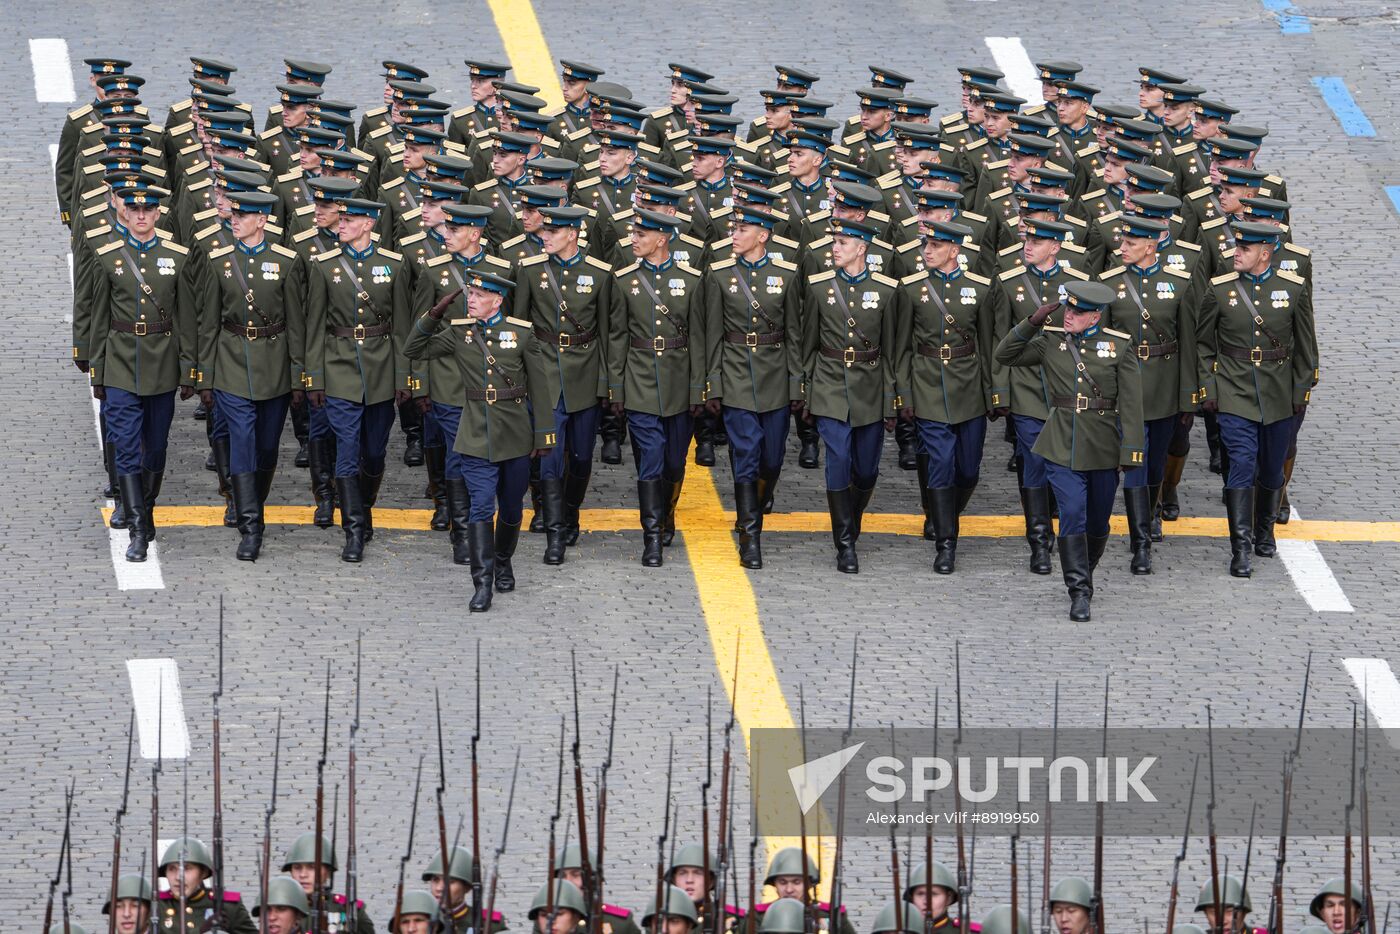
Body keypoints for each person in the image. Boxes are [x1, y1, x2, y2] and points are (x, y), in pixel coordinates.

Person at [407, 269, 556, 611]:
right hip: (474, 433)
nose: (470, 300)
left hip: (515, 434)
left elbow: (540, 386)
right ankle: (482, 582)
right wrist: (434, 314)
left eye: (477, 295)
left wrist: (544, 433)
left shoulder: (520, 335)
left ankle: (503, 559)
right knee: (481, 506)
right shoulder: (459, 334)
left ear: (497, 300)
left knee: (512, 506)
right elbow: (413, 348)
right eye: (469, 294)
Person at [995, 280, 1143, 622]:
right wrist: (1032, 322)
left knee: (1098, 521)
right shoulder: (1051, 342)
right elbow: (1006, 355)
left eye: (1077, 311)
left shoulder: (1119, 347)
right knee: (1072, 512)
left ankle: (1084, 570)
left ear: (1095, 316)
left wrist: (1133, 450)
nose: (1069, 315)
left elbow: (1132, 405)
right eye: (1068, 308)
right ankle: (1079, 591)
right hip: (1061, 442)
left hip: (1103, 445)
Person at [83, 185, 196, 562]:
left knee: (156, 446)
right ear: (124, 213)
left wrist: (188, 367)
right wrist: (97, 369)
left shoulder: (177, 258)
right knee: (127, 446)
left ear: (158, 213)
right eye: (135, 208)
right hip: (119, 360)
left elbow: (186, 319)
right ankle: (136, 527)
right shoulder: (108, 257)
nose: (142, 214)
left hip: (162, 362)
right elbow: (98, 317)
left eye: (149, 208)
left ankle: (146, 509)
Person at [304, 198, 421, 562]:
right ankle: (353, 529)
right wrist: (315, 377)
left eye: (349, 219)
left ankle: (364, 508)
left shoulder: (394, 265)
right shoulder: (324, 266)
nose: (340, 223)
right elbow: (314, 327)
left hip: (381, 367)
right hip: (338, 365)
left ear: (368, 224)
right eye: (341, 218)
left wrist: (405, 374)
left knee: (374, 451)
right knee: (347, 450)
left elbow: (402, 326)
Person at [1196, 221, 1315, 577]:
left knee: (1272, 468)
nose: (1236, 253)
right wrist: (1210, 388)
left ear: (1265, 253)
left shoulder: (1292, 290)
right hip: (1234, 390)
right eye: (1237, 246)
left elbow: (1306, 348)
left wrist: (1300, 391)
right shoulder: (1219, 292)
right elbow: (1203, 345)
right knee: (1241, 465)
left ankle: (1264, 531)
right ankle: (1240, 547)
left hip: (1278, 391)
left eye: (1245, 249)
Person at [197, 189, 302, 560]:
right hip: (232, 362)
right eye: (233, 215)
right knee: (242, 439)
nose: (234, 220)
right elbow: (208, 323)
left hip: (274, 364)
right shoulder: (219, 261)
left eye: (243, 216)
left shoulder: (286, 262)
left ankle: (254, 501)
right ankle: (250, 526)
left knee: (268, 446)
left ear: (263, 220)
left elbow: (296, 324)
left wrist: (300, 375)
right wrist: (205, 378)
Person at [513, 205, 619, 564]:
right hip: (544, 373)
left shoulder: (599, 274)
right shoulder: (530, 271)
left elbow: (607, 333)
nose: (544, 237)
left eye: (552, 232)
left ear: (572, 234)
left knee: (582, 456)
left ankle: (571, 512)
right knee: (550, 458)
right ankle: (555, 534)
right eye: (544, 231)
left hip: (584, 374)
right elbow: (521, 328)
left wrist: (607, 383)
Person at [800, 217, 904, 573]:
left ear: (862, 248)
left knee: (866, 468)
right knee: (839, 458)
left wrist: (892, 400)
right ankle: (844, 541)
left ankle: (852, 517)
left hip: (870, 386)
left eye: (842, 243)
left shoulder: (888, 291)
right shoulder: (818, 287)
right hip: (830, 384)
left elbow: (893, 351)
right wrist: (807, 391)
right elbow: (807, 344)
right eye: (834, 242)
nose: (834, 248)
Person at [1098, 215, 1199, 574]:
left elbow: (1189, 343)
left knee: (1155, 460)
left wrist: (1189, 396)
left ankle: (1153, 510)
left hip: (1164, 384)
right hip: (1127, 388)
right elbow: (1103, 344)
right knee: (1136, 463)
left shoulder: (1179, 284)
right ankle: (1141, 542)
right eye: (1122, 241)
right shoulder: (1110, 284)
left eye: (1129, 243)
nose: (1121, 247)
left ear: (1150, 247)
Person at [704, 207, 803, 568]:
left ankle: (756, 507)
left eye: (742, 229)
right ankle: (750, 536)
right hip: (736, 375)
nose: (734, 234)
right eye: (734, 228)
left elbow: (794, 334)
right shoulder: (719, 275)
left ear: (762, 236)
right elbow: (711, 334)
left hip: (775, 376)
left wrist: (797, 385)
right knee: (746, 453)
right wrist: (712, 383)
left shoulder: (786, 276)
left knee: (772, 459)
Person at [896, 221, 996, 572]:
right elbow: (902, 347)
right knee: (940, 461)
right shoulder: (911, 290)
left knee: (968, 469)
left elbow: (987, 345)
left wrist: (993, 393)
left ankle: (945, 513)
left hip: (968, 387)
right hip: (927, 384)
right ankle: (946, 543)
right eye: (926, 245)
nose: (926, 251)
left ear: (954, 250)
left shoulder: (980, 289)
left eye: (935, 247)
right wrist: (905, 394)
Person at [608, 209, 705, 566]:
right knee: (650, 462)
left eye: (641, 235)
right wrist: (616, 389)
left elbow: (699, 339)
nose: (633, 239)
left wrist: (699, 390)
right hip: (640, 379)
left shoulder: (692, 281)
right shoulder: (623, 281)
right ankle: (651, 536)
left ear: (662, 240)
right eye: (634, 233)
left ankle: (667, 513)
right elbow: (617, 336)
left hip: (679, 381)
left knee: (674, 463)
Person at [155, 837, 257, 934]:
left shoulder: (228, 906)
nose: (178, 877)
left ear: (203, 873)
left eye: (187, 868)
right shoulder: (157, 905)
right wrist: (201, 931)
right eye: (172, 869)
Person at [279, 831, 373, 934]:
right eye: (297, 868)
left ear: (328, 872)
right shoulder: (277, 908)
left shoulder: (348, 909)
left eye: (312, 867)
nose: (303, 875)